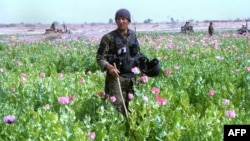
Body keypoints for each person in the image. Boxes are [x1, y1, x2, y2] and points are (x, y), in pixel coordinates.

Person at [96, 8, 145, 117]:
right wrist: (109, 67)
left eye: (123, 19)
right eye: (118, 19)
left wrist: (143, 68)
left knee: (132, 107)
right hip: (116, 78)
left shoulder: (133, 35)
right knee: (117, 108)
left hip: (132, 78)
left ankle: (130, 131)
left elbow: (137, 54)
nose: (120, 21)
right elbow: (100, 57)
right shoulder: (108, 38)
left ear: (128, 21)